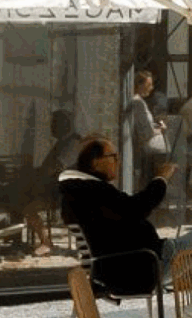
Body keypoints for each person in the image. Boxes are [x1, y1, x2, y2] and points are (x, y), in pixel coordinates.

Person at [57, 135, 173, 290]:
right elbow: (138, 207)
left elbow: (127, 213)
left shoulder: (79, 192)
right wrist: (161, 179)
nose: (118, 162)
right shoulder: (93, 192)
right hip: (137, 270)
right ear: (95, 162)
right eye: (114, 157)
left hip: (123, 266)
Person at [21, 109, 82, 254]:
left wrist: (38, 174)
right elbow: (46, 168)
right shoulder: (62, 142)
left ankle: (46, 243)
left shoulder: (73, 143)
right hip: (54, 189)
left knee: (29, 207)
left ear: (64, 125)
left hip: (66, 194)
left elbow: (55, 168)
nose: (51, 127)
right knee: (24, 199)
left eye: (54, 123)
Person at [124, 68, 172, 191]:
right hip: (149, 145)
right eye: (148, 85)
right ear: (139, 85)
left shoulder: (139, 102)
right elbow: (146, 133)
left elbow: (146, 127)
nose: (151, 88)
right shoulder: (138, 103)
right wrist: (161, 129)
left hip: (149, 142)